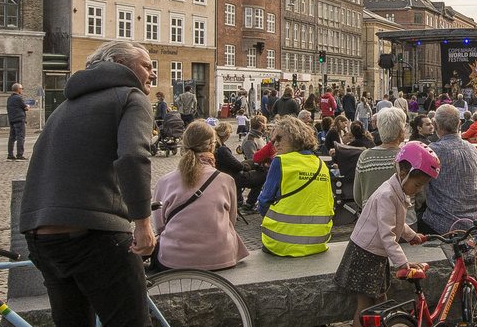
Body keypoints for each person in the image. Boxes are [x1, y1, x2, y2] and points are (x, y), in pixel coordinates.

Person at [19, 39, 200, 327]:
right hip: (96, 231)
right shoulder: (128, 96)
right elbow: (133, 157)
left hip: (43, 233)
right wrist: (142, 222)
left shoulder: (66, 106)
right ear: (119, 64)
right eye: (146, 65)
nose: (152, 74)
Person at [337, 141, 438, 327]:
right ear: (403, 174)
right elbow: (386, 234)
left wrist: (413, 236)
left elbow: (397, 224)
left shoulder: (397, 191)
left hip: (376, 255)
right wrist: (403, 264)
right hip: (365, 254)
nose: (418, 189)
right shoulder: (386, 195)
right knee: (365, 308)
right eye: (417, 184)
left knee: (381, 303)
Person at [150, 121, 248, 271]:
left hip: (174, 259)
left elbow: (160, 227)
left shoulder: (164, 182)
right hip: (221, 257)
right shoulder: (226, 180)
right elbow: (231, 221)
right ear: (212, 146)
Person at [257, 116, 335, 256]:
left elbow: (264, 201)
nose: (275, 144)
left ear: (294, 136)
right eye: (273, 141)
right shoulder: (320, 164)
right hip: (317, 240)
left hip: (280, 241)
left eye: (279, 138)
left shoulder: (281, 161)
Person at [418, 104, 477, 235]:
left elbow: (420, 189)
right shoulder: (472, 149)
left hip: (444, 223)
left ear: (435, 125)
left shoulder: (433, 151)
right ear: (459, 124)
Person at [354, 106, 409, 205]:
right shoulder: (407, 157)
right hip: (403, 217)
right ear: (401, 132)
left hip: (372, 216)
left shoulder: (365, 157)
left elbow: (358, 196)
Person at [7, 83, 29, 161]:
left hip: (12, 119)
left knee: (12, 138)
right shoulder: (18, 98)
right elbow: (25, 107)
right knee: (20, 137)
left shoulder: (10, 98)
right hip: (19, 119)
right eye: (21, 89)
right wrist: (28, 106)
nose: (21, 90)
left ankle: (10, 154)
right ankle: (19, 154)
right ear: (18, 90)